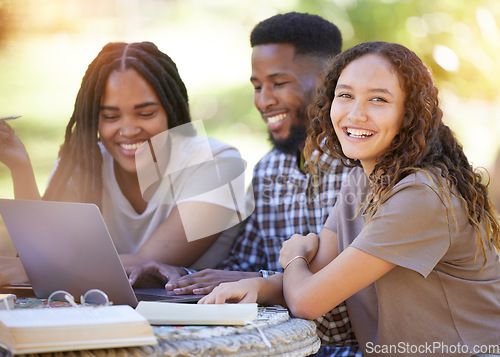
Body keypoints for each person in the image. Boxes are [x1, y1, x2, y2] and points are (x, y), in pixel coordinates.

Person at [200, 41, 500, 357]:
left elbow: (307, 300)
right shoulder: (362, 179)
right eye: (345, 96)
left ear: (409, 114)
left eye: (378, 100)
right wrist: (258, 288)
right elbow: (317, 276)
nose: (356, 114)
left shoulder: (422, 195)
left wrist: (293, 257)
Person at [129, 12, 362, 356]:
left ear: (329, 81)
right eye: (257, 86)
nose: (263, 100)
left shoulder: (362, 170)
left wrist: (258, 281)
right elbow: (244, 263)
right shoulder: (269, 168)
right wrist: (177, 276)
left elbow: (348, 287)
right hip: (279, 344)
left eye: (279, 83)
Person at [0, 41, 243, 286]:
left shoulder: (217, 165)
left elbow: (148, 265)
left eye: (146, 114)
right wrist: (20, 168)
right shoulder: (85, 162)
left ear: (171, 110)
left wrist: (35, 268)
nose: (128, 130)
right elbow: (40, 249)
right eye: (111, 116)